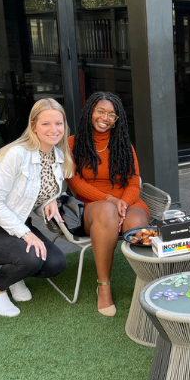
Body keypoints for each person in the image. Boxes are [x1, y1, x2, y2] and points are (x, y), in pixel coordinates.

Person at [0, 98, 74, 317]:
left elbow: (32, 197)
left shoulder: (58, 156)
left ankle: (15, 276)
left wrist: (48, 201)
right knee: (31, 257)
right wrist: (26, 234)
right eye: (46, 124)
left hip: (17, 223)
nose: (54, 129)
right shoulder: (15, 154)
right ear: (33, 126)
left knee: (55, 263)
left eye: (58, 123)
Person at [67, 91, 150, 316]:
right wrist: (110, 200)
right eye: (100, 111)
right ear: (90, 112)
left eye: (111, 114)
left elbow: (133, 182)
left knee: (137, 221)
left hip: (126, 201)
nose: (105, 117)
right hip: (93, 206)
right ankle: (103, 286)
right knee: (106, 212)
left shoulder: (123, 144)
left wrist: (122, 203)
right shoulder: (72, 143)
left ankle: (148, 284)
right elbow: (74, 181)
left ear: (117, 120)